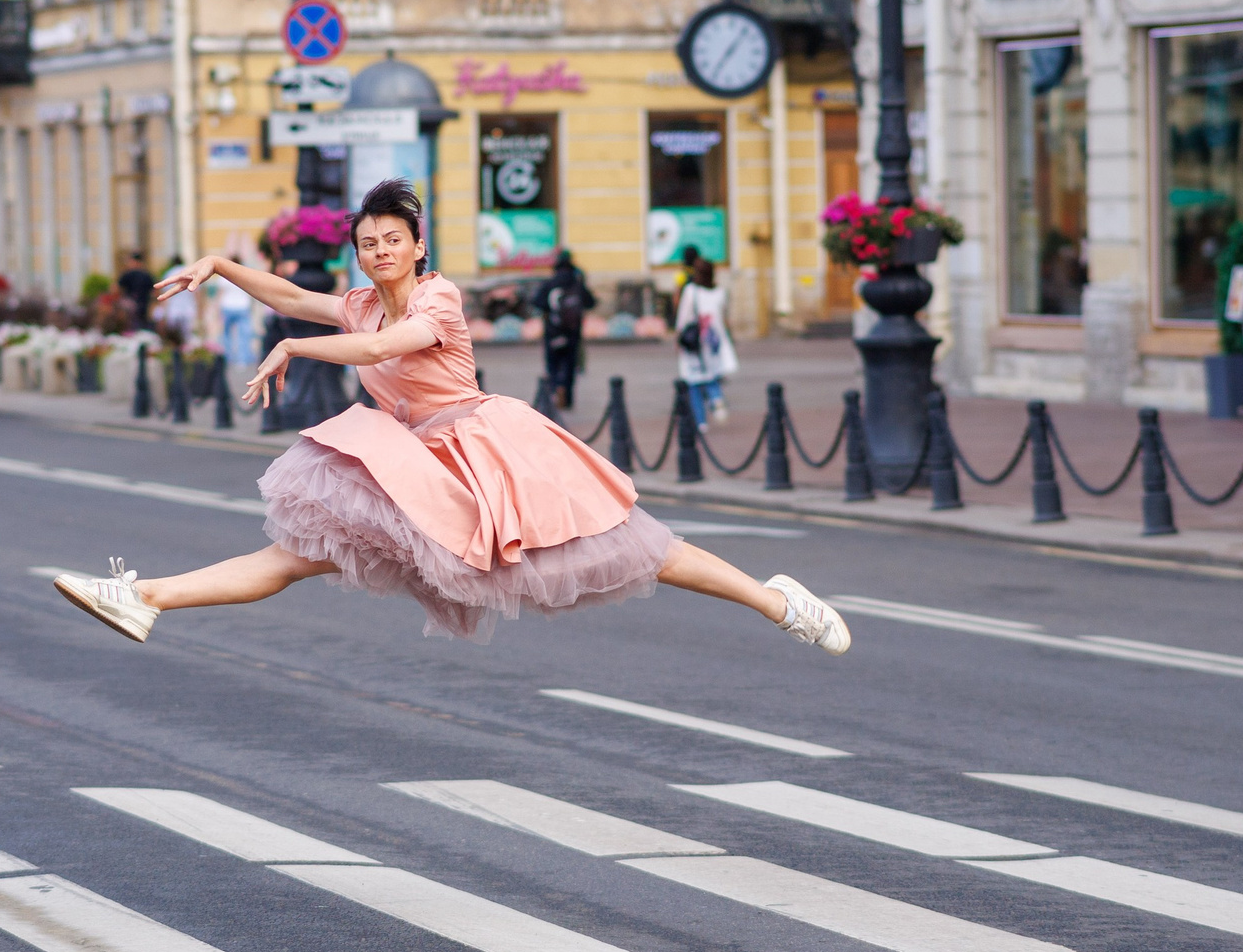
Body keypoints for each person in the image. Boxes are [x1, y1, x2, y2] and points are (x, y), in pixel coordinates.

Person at [48, 178, 848, 655]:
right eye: (367, 243)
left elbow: (389, 345)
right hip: (414, 461)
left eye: (392, 241)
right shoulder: (359, 300)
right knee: (295, 555)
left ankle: (781, 603)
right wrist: (217, 266)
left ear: (417, 244)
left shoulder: (437, 297)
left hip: (490, 449)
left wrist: (298, 349)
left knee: (644, 552)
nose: (379, 253)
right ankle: (144, 597)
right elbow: (295, 296)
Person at [673, 246, 736, 429]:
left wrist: (678, 339)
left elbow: (683, 318)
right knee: (712, 376)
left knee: (693, 382)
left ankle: (701, 422)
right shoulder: (720, 293)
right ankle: (717, 399)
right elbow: (724, 318)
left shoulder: (691, 290)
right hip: (713, 341)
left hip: (693, 342)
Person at [535, 250, 594, 411]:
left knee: (553, 364)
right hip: (572, 332)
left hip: (552, 332)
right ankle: (567, 397)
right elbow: (591, 302)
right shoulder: (576, 282)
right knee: (570, 365)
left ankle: (555, 388)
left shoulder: (549, 283)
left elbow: (537, 302)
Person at [117, 251, 156, 328]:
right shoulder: (147, 275)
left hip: (130, 308)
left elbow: (117, 289)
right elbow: (154, 292)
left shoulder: (128, 274)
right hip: (144, 307)